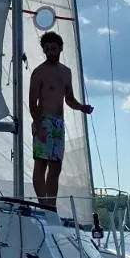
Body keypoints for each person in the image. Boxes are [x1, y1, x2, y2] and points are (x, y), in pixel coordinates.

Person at [28, 31, 93, 211]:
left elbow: (69, 99)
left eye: (53, 49)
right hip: (43, 121)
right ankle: (43, 204)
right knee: (41, 163)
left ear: (60, 49)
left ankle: (51, 204)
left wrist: (82, 107)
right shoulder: (38, 73)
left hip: (58, 123)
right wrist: (39, 126)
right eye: (47, 49)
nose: (50, 52)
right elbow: (32, 103)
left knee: (55, 167)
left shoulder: (66, 72)